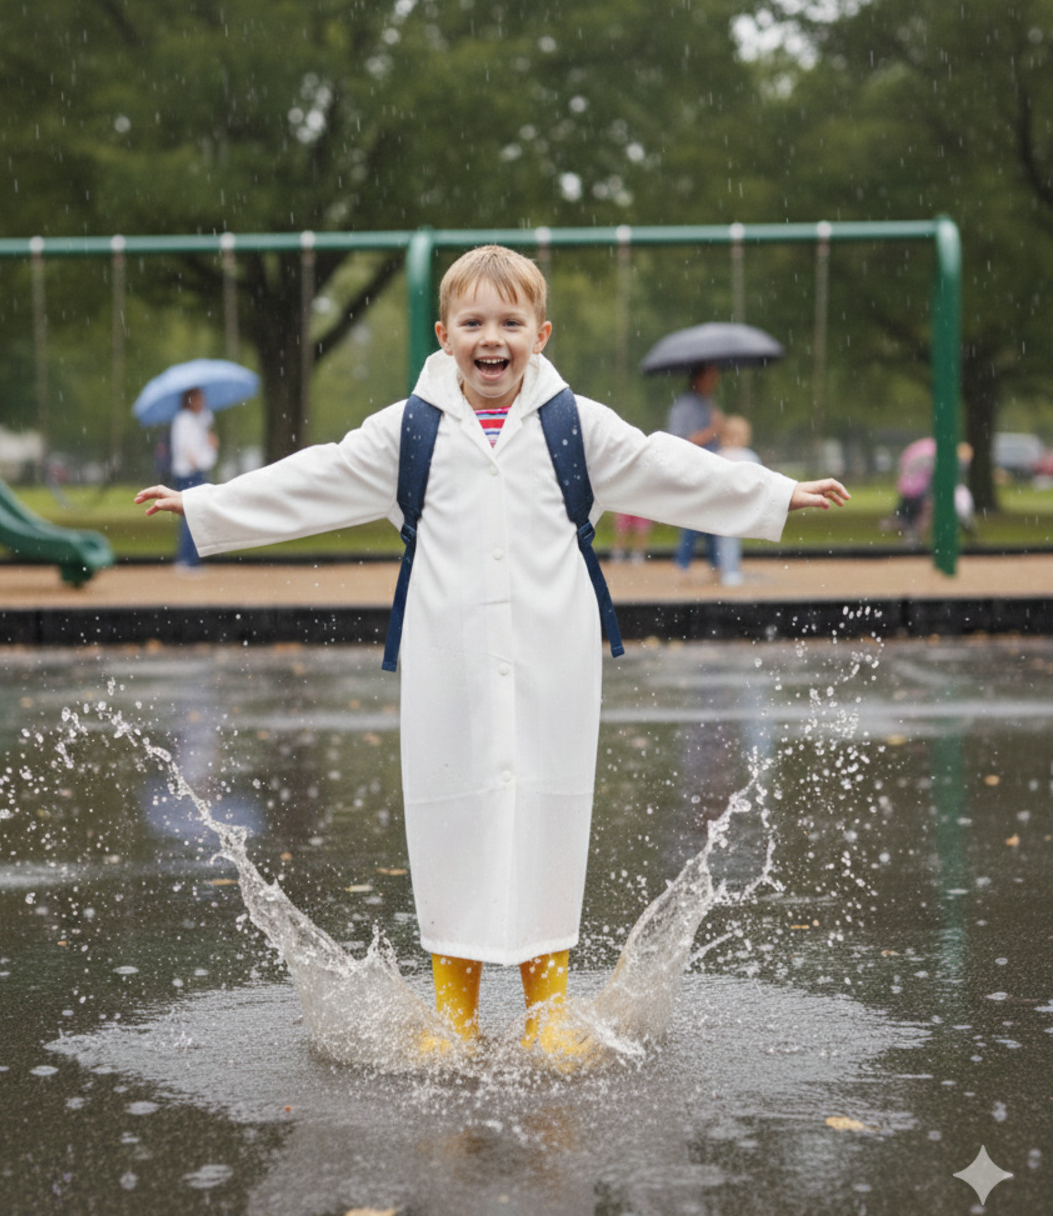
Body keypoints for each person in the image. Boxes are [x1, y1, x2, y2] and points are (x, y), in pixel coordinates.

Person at [136, 246, 848, 1066]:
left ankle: (549, 1013)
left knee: (548, 814)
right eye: (474, 322)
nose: (492, 338)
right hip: (450, 659)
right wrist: (205, 504)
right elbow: (315, 478)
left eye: (511, 322)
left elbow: (664, 465)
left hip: (553, 658)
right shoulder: (408, 430)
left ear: (540, 334)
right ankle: (454, 1016)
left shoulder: (574, 423)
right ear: (444, 336)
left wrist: (772, 492)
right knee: (452, 818)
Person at [668, 361, 724, 572]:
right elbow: (680, 440)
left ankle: (714, 564)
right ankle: (683, 564)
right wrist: (713, 430)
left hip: (711, 470)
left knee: (710, 518)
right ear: (699, 378)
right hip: (693, 470)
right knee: (695, 517)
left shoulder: (708, 403)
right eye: (710, 377)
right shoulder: (684, 407)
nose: (714, 383)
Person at [169, 387, 218, 572]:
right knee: (190, 515)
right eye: (198, 399)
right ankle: (186, 559)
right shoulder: (184, 420)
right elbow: (186, 449)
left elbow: (202, 448)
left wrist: (210, 445)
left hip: (197, 471)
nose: (201, 402)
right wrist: (199, 460)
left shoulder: (200, 420)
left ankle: (191, 558)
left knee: (195, 515)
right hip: (189, 473)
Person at [714, 414, 761, 586]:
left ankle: (726, 569)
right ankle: (731, 571)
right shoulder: (749, 456)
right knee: (731, 540)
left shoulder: (718, 456)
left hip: (722, 507)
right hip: (738, 507)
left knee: (724, 540)